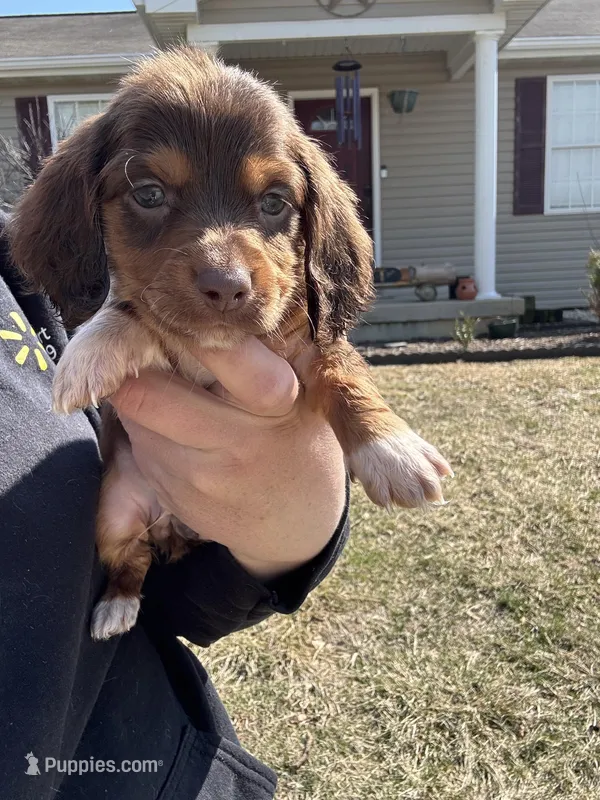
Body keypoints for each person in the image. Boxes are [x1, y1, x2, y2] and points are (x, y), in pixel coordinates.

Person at [0, 209, 349, 799]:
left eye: (270, 208)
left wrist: (292, 534)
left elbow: (186, 603)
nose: (222, 259)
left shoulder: (19, 266)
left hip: (170, 766)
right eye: (151, 193)